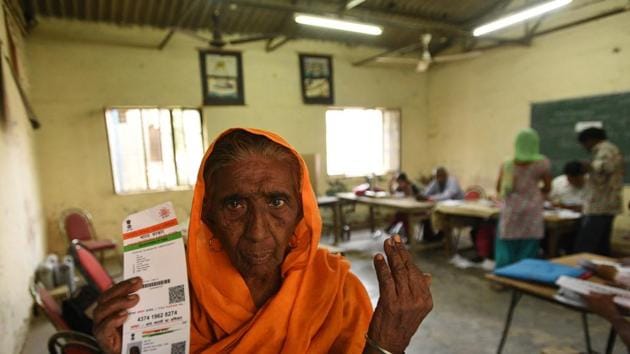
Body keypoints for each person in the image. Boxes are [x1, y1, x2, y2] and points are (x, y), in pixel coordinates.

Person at [92, 128, 433, 354]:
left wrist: (387, 343)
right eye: (235, 204)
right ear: (206, 214)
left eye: (276, 202)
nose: (257, 231)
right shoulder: (163, 293)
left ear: (303, 212)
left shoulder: (338, 291)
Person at [495, 128, 552, 269]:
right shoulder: (542, 163)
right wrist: (535, 193)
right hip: (532, 208)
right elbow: (548, 187)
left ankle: (503, 275)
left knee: (506, 242)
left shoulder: (507, 164)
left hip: (511, 208)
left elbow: (498, 188)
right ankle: (522, 275)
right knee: (529, 243)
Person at [574, 127, 624, 256]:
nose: (585, 147)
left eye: (584, 144)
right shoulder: (612, 149)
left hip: (599, 205)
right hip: (608, 204)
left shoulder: (604, 149)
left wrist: (589, 166)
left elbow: (607, 167)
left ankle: (578, 273)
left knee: (585, 246)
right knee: (601, 246)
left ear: (590, 140)